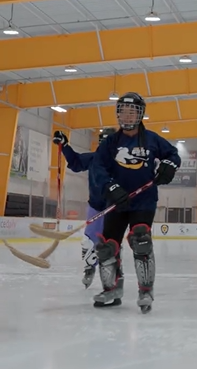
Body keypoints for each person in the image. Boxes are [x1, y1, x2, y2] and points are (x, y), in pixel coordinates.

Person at [91, 92, 181, 313]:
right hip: (117, 202)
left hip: (144, 201)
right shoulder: (111, 143)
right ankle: (112, 288)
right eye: (123, 110)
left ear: (140, 114)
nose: (128, 115)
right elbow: (98, 168)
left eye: (133, 111)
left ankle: (145, 290)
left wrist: (169, 165)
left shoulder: (152, 139)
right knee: (106, 247)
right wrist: (110, 188)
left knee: (141, 240)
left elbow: (173, 154)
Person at [52, 128, 116, 288]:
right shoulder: (94, 158)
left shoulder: (122, 163)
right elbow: (75, 163)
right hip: (95, 205)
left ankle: (113, 279)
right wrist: (65, 145)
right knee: (87, 241)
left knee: (110, 244)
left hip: (114, 208)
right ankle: (89, 267)